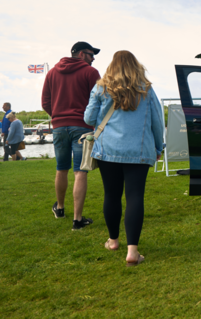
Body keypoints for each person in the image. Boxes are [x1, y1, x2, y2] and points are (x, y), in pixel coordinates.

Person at [84, 50, 163, 266]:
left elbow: (89, 117)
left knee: (111, 194)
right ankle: (133, 252)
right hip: (138, 150)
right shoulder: (146, 88)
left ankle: (113, 240)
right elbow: (157, 120)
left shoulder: (101, 87)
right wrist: (158, 147)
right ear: (136, 66)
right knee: (135, 196)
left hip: (108, 149)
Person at [42, 41, 101, 230]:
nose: (93, 59)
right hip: (82, 127)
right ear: (82, 54)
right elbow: (100, 99)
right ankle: (77, 219)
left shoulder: (52, 73)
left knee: (61, 168)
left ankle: (59, 208)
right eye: (92, 55)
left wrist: (58, 116)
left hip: (59, 127)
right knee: (80, 171)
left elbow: (45, 101)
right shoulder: (90, 72)